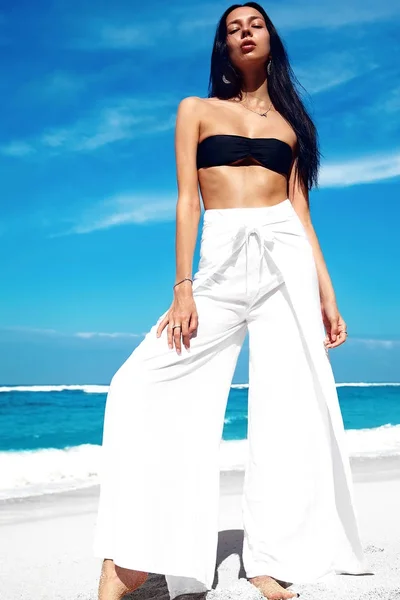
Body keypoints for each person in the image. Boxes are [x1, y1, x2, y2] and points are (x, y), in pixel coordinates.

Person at [92, 3, 370, 599]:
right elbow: (187, 200)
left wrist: (327, 292)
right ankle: (134, 555)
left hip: (283, 263)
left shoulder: (293, 127)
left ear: (271, 38)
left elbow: (301, 212)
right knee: (138, 385)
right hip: (216, 263)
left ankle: (267, 558)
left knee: (287, 412)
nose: (244, 32)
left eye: (255, 24)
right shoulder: (196, 110)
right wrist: (183, 284)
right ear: (223, 45)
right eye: (232, 28)